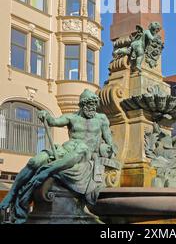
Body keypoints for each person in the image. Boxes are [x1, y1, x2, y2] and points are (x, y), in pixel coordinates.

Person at [0, 89, 118, 223]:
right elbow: (53, 121)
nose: (92, 108)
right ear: (81, 105)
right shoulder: (72, 117)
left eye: (94, 105)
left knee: (77, 151)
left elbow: (108, 138)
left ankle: (45, 172)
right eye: (89, 105)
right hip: (67, 148)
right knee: (34, 161)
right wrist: (45, 115)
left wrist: (110, 148)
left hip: (84, 153)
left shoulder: (101, 119)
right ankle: (11, 194)